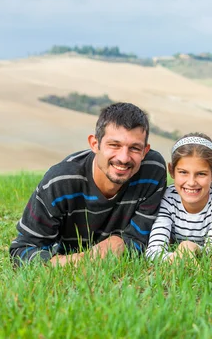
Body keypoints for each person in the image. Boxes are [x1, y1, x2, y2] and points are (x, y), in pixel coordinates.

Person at [9, 102, 167, 267]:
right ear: (94, 144)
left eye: (135, 148)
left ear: (145, 151)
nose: (124, 158)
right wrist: (71, 262)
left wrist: (118, 244)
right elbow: (22, 250)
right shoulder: (60, 182)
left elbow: (142, 237)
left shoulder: (152, 171)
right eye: (114, 145)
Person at [145, 133, 212, 262]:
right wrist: (175, 257)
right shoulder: (167, 198)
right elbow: (153, 251)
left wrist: (190, 247)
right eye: (183, 172)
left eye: (201, 174)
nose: (191, 182)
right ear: (171, 170)